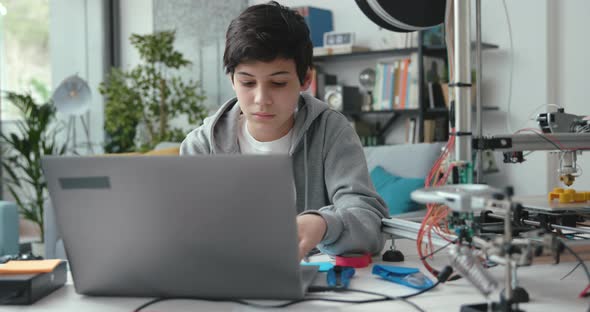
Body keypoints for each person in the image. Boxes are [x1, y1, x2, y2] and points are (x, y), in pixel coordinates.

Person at [180, 1, 388, 260]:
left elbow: (369, 221)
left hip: (312, 279)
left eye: (278, 83)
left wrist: (323, 225)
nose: (261, 99)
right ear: (231, 80)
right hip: (224, 276)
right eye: (247, 82)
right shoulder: (201, 144)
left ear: (306, 80)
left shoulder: (331, 131)